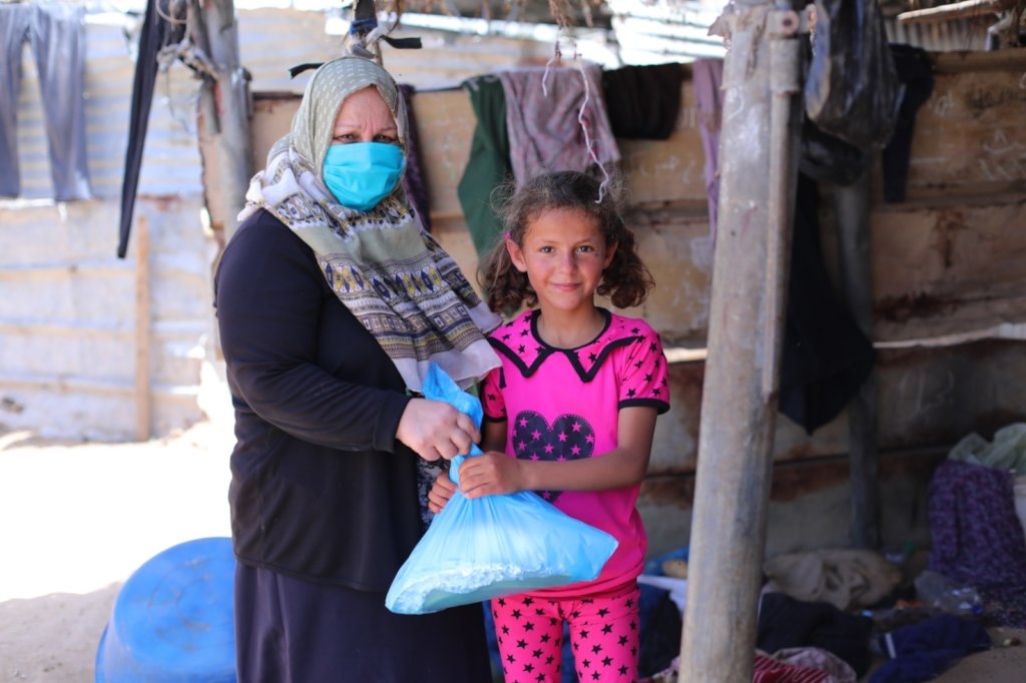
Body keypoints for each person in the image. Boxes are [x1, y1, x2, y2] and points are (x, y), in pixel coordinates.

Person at [213, 55, 502, 682]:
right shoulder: (272, 242)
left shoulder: (401, 239)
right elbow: (267, 379)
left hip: (419, 525)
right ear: (314, 134)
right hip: (321, 535)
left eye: (384, 139)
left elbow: (449, 366)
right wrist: (397, 416)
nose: (367, 155)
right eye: (346, 139)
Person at [429, 170, 671, 682]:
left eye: (583, 248)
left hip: (605, 577)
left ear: (608, 252)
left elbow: (630, 463)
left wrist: (520, 474)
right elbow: (491, 464)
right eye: (547, 250)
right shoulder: (498, 352)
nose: (566, 267)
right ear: (518, 254)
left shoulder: (633, 347)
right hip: (520, 580)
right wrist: (460, 486)